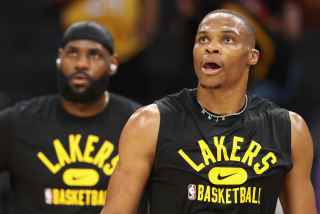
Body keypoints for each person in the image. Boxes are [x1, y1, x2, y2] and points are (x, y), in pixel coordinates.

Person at [101, 9, 317, 214]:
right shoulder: (149, 123)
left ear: (252, 56)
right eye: (203, 39)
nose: (211, 47)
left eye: (227, 40)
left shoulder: (288, 129)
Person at [0, 21, 147, 214]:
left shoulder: (141, 125)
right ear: (60, 58)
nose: (81, 63)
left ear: (112, 63)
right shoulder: (18, 122)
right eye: (72, 53)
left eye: (94, 55)